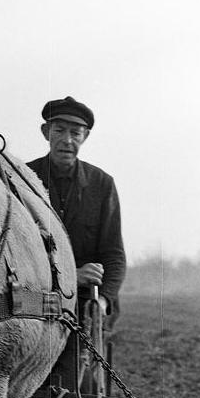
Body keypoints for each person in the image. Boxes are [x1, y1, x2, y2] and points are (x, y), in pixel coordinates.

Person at [27, 96, 126, 324]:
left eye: (76, 133)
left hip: (83, 305)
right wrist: (72, 276)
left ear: (86, 136)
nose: (67, 140)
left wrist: (103, 300)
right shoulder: (23, 179)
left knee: (80, 356)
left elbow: (114, 254)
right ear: (45, 132)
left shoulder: (102, 184)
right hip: (34, 303)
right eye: (59, 130)